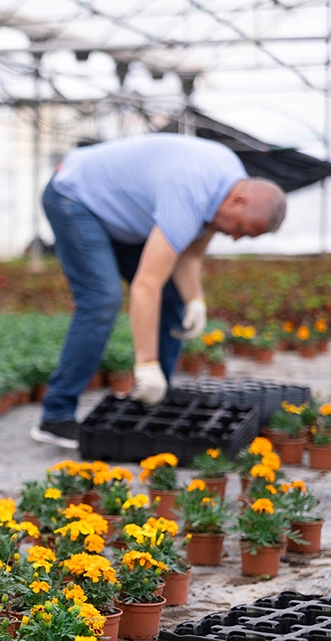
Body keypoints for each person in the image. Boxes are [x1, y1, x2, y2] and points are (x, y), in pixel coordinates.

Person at [30, 133, 287, 449]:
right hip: (75, 196)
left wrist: (194, 299)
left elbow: (189, 252)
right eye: (240, 230)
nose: (234, 239)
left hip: (123, 215)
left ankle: (153, 397)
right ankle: (56, 416)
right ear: (238, 201)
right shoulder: (189, 192)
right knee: (101, 300)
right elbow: (145, 285)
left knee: (172, 296)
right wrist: (145, 363)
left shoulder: (228, 182)